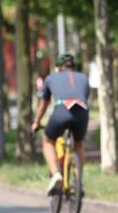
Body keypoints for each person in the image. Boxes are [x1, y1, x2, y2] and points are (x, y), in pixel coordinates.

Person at [31, 53, 90, 194]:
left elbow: (43, 105)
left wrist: (37, 122)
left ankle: (56, 174)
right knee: (78, 143)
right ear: (74, 67)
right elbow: (84, 97)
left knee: (48, 141)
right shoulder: (84, 78)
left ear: (57, 67)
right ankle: (78, 180)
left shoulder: (51, 78)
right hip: (82, 112)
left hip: (62, 111)